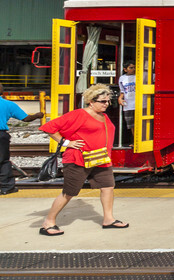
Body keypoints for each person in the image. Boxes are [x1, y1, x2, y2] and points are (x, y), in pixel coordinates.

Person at [38, 84, 127, 234]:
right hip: (77, 158)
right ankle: (48, 222)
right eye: (103, 101)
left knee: (108, 187)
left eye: (108, 101)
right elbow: (49, 127)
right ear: (91, 102)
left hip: (100, 159)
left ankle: (108, 219)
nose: (106, 104)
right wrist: (66, 143)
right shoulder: (79, 114)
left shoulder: (103, 116)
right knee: (70, 192)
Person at [1, 83, 44, 195]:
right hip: (1, 136)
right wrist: (37, 115)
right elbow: (26, 119)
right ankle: (6, 187)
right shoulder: (8, 104)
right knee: (3, 161)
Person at [118, 63, 136, 137]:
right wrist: (120, 98)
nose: (134, 69)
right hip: (128, 104)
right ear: (125, 69)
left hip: (141, 104)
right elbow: (122, 90)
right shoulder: (122, 78)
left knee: (141, 124)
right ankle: (135, 141)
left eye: (134, 67)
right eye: (131, 68)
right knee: (131, 125)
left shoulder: (142, 75)